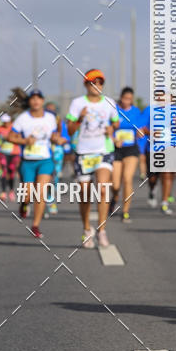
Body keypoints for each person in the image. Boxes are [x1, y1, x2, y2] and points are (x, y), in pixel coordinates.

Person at [66, 69, 118, 248]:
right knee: (85, 194)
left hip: (103, 151)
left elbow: (116, 122)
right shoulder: (77, 103)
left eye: (100, 82)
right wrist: (79, 119)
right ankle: (87, 228)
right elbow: (70, 130)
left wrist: (112, 128)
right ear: (86, 85)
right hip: (83, 152)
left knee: (103, 189)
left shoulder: (110, 102)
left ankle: (102, 230)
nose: (97, 86)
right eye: (93, 82)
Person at [8, 89, 60, 239]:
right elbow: (10, 137)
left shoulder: (51, 118)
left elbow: (54, 135)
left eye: (39, 98)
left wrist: (57, 139)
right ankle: (24, 204)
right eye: (33, 99)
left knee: (41, 193)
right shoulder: (22, 118)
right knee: (28, 195)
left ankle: (35, 225)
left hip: (45, 160)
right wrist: (24, 141)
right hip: (28, 161)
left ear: (43, 101)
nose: (36, 101)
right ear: (29, 102)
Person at [112, 87, 141, 222]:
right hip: (116, 149)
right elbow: (107, 129)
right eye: (125, 99)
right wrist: (114, 140)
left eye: (130, 99)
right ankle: (115, 197)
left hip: (131, 149)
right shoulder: (114, 110)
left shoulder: (136, 112)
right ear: (121, 98)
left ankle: (125, 211)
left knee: (127, 179)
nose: (127, 101)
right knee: (116, 184)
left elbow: (141, 128)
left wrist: (141, 132)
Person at [0, 114, 20, 203]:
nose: (6, 123)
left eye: (7, 122)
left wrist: (10, 138)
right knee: (4, 171)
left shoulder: (14, 128)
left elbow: (19, 138)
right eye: (4, 122)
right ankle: (3, 192)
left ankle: (11, 190)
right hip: (4, 152)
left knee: (11, 172)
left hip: (14, 153)